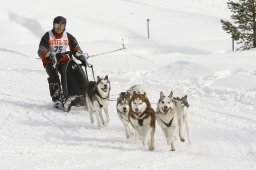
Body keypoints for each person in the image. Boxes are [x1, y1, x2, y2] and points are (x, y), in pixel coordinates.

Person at [37, 16, 86, 111]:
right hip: (50, 61)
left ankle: (74, 96)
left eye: (62, 25)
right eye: (57, 24)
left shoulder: (68, 36)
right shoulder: (47, 35)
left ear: (64, 26)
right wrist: (48, 54)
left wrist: (80, 55)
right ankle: (57, 99)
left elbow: (75, 47)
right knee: (54, 77)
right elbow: (41, 50)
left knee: (69, 75)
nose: (59, 27)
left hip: (62, 59)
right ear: (53, 25)